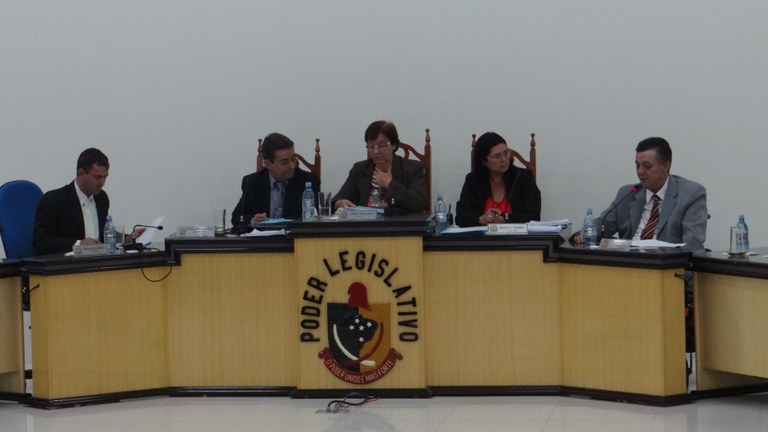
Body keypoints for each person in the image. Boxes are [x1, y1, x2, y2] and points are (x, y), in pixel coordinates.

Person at [578, 137, 707, 251]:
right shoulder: (628, 193)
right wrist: (587, 231)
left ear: (666, 166)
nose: (640, 172)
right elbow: (603, 225)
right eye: (637, 165)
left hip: (667, 266)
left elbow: (693, 245)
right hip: (628, 263)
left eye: (647, 166)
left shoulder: (691, 194)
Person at [33, 148, 137, 255]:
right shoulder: (54, 200)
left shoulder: (101, 198)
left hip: (99, 260)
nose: (102, 183)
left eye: (105, 177)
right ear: (81, 173)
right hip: (68, 262)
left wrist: (127, 238)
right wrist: (78, 244)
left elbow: (103, 234)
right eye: (98, 177)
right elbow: (41, 242)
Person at [333, 120, 427, 213]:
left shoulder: (412, 168)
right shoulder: (360, 169)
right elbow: (339, 197)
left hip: (399, 222)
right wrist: (339, 203)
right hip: (365, 222)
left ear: (394, 144)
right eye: (371, 146)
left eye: (381, 145)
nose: (376, 152)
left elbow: (419, 203)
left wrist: (389, 183)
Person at [231, 132, 320, 227]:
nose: (292, 166)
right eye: (284, 162)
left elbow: (314, 215)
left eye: (293, 159)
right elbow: (237, 217)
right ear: (268, 164)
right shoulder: (252, 182)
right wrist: (253, 220)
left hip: (293, 235)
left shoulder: (308, 181)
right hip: (263, 236)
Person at [455, 132, 541, 227]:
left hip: (516, 236)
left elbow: (534, 216)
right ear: (484, 161)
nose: (504, 159)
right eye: (497, 156)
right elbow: (460, 217)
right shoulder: (473, 180)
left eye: (506, 153)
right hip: (483, 236)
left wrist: (505, 219)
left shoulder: (523, 178)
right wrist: (481, 219)